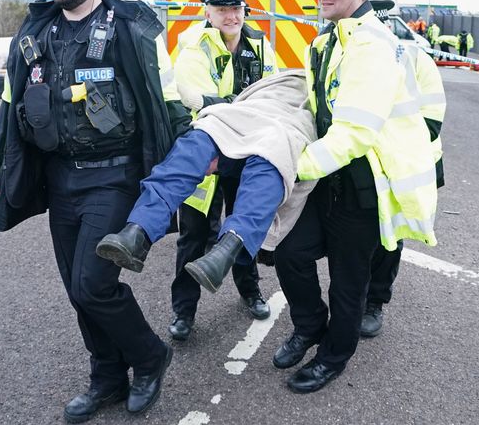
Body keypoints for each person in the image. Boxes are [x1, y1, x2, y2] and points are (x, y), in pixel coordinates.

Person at [0, 0, 191, 422]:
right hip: (60, 178)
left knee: (93, 284)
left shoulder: (130, 29)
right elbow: (11, 101)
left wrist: (192, 158)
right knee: (76, 288)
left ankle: (150, 356)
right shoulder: (35, 33)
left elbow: (169, 99)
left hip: (114, 177)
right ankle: (107, 378)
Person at [272, 0, 439, 394]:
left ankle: (333, 357)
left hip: (361, 185)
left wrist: (291, 168)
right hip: (328, 179)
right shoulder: (328, 39)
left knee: (348, 283)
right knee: (289, 253)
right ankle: (309, 327)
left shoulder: (372, 45)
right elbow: (316, 108)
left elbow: (355, 134)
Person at [95, 71, 316, 302]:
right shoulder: (197, 47)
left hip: (255, 116)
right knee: (257, 152)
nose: (231, 30)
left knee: (261, 150)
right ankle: (144, 234)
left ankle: (146, 232)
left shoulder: (259, 45)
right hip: (247, 116)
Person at [165, 0, 278, 341]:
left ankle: (250, 292)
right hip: (208, 157)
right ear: (207, 12)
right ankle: (184, 312)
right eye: (222, 9)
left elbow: (273, 92)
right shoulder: (194, 46)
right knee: (194, 237)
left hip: (247, 152)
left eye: (236, 8)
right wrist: (240, 106)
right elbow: (191, 98)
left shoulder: (260, 45)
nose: (231, 16)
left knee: (243, 229)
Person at [361, 17, 447, 339]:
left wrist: (378, 143)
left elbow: (431, 123)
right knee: (357, 234)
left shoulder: (416, 60)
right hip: (362, 162)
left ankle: (374, 303)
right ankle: (354, 298)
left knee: (391, 234)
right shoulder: (350, 55)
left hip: (406, 165)